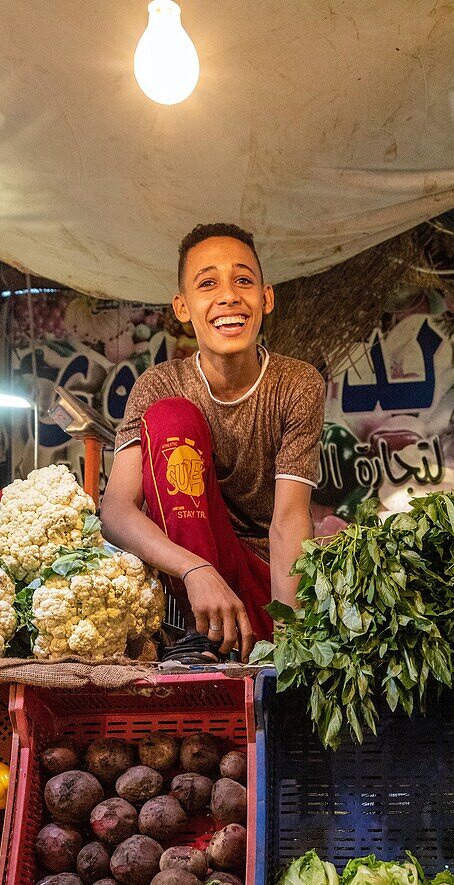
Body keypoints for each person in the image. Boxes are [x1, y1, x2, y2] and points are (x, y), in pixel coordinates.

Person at [101, 222, 325, 661]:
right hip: (192, 590)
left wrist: (293, 644)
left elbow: (288, 522)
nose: (229, 296)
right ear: (182, 307)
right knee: (172, 416)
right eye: (208, 283)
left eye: (244, 280)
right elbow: (115, 511)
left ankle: (256, 642)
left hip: (265, 593)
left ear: (267, 297)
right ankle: (200, 639)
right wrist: (194, 568)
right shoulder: (159, 384)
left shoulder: (297, 384)